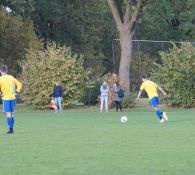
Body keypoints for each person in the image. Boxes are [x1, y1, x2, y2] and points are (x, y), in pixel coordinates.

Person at [0, 65, 22, 134]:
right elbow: (19, 84)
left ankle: (10, 129)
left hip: (6, 98)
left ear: (0, 71)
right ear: (6, 71)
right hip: (12, 97)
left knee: (8, 114)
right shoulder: (11, 77)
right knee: (12, 114)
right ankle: (11, 128)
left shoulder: (0, 79)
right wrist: (17, 91)